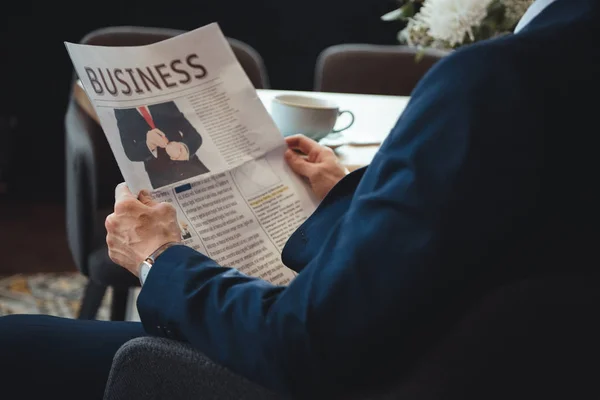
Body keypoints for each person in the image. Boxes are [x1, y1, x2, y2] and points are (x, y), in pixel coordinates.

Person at [1, 0, 599, 398]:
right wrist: (345, 192)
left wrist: (161, 258)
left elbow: (303, 342)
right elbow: (453, 241)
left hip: (349, 377)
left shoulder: (496, 82)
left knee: (15, 346)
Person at [114, 101, 210, 189]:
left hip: (191, 167)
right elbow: (130, 152)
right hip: (161, 177)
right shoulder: (120, 110)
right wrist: (148, 145)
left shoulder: (160, 99)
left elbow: (194, 135)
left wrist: (184, 148)